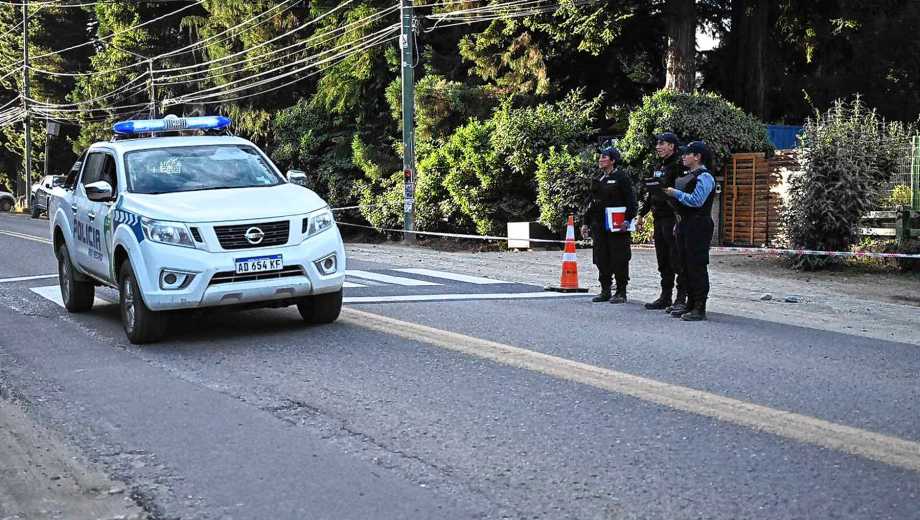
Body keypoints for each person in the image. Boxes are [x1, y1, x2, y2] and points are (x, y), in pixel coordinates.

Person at [664, 141, 716, 321]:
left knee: (696, 266)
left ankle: (699, 307)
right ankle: (689, 303)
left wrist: (675, 194)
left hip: (698, 225)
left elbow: (697, 200)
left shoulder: (705, 176)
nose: (683, 156)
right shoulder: (688, 175)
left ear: (697, 156)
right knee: (684, 265)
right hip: (684, 223)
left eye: (687, 153)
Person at [580, 145, 638, 304]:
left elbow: (631, 201)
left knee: (619, 258)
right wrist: (586, 223)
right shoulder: (599, 179)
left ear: (613, 160)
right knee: (601, 257)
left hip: (617, 225)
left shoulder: (621, 178)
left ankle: (621, 291)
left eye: (604, 157)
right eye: (600, 157)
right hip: (599, 225)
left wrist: (628, 219)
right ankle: (605, 289)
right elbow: (591, 203)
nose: (600, 160)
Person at [636, 132, 685, 312]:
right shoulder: (658, 166)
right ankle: (665, 296)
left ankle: (681, 298)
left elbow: (681, 194)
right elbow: (652, 192)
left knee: (676, 258)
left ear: (672, 146)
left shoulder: (679, 166)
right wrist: (642, 214)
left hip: (673, 217)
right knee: (663, 259)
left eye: (661, 143)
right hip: (658, 218)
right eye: (657, 143)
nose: (658, 147)